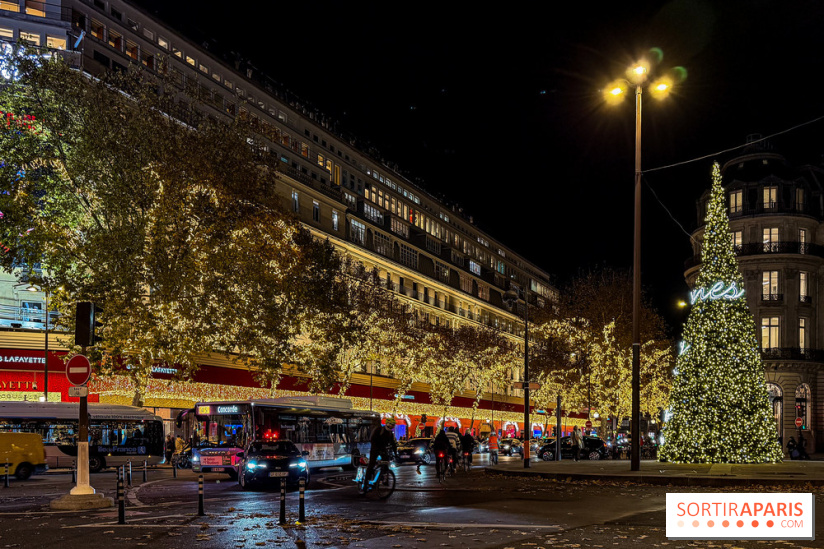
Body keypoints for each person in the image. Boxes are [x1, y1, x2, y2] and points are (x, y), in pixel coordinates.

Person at [365, 417, 397, 485]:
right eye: (392, 424)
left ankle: (384, 478)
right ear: (387, 424)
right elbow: (373, 439)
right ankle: (365, 482)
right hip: (375, 448)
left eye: (393, 425)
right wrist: (376, 448)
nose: (392, 426)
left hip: (383, 449)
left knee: (386, 462)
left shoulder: (390, 433)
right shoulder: (379, 429)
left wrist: (396, 453)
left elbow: (393, 443)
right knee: (371, 464)